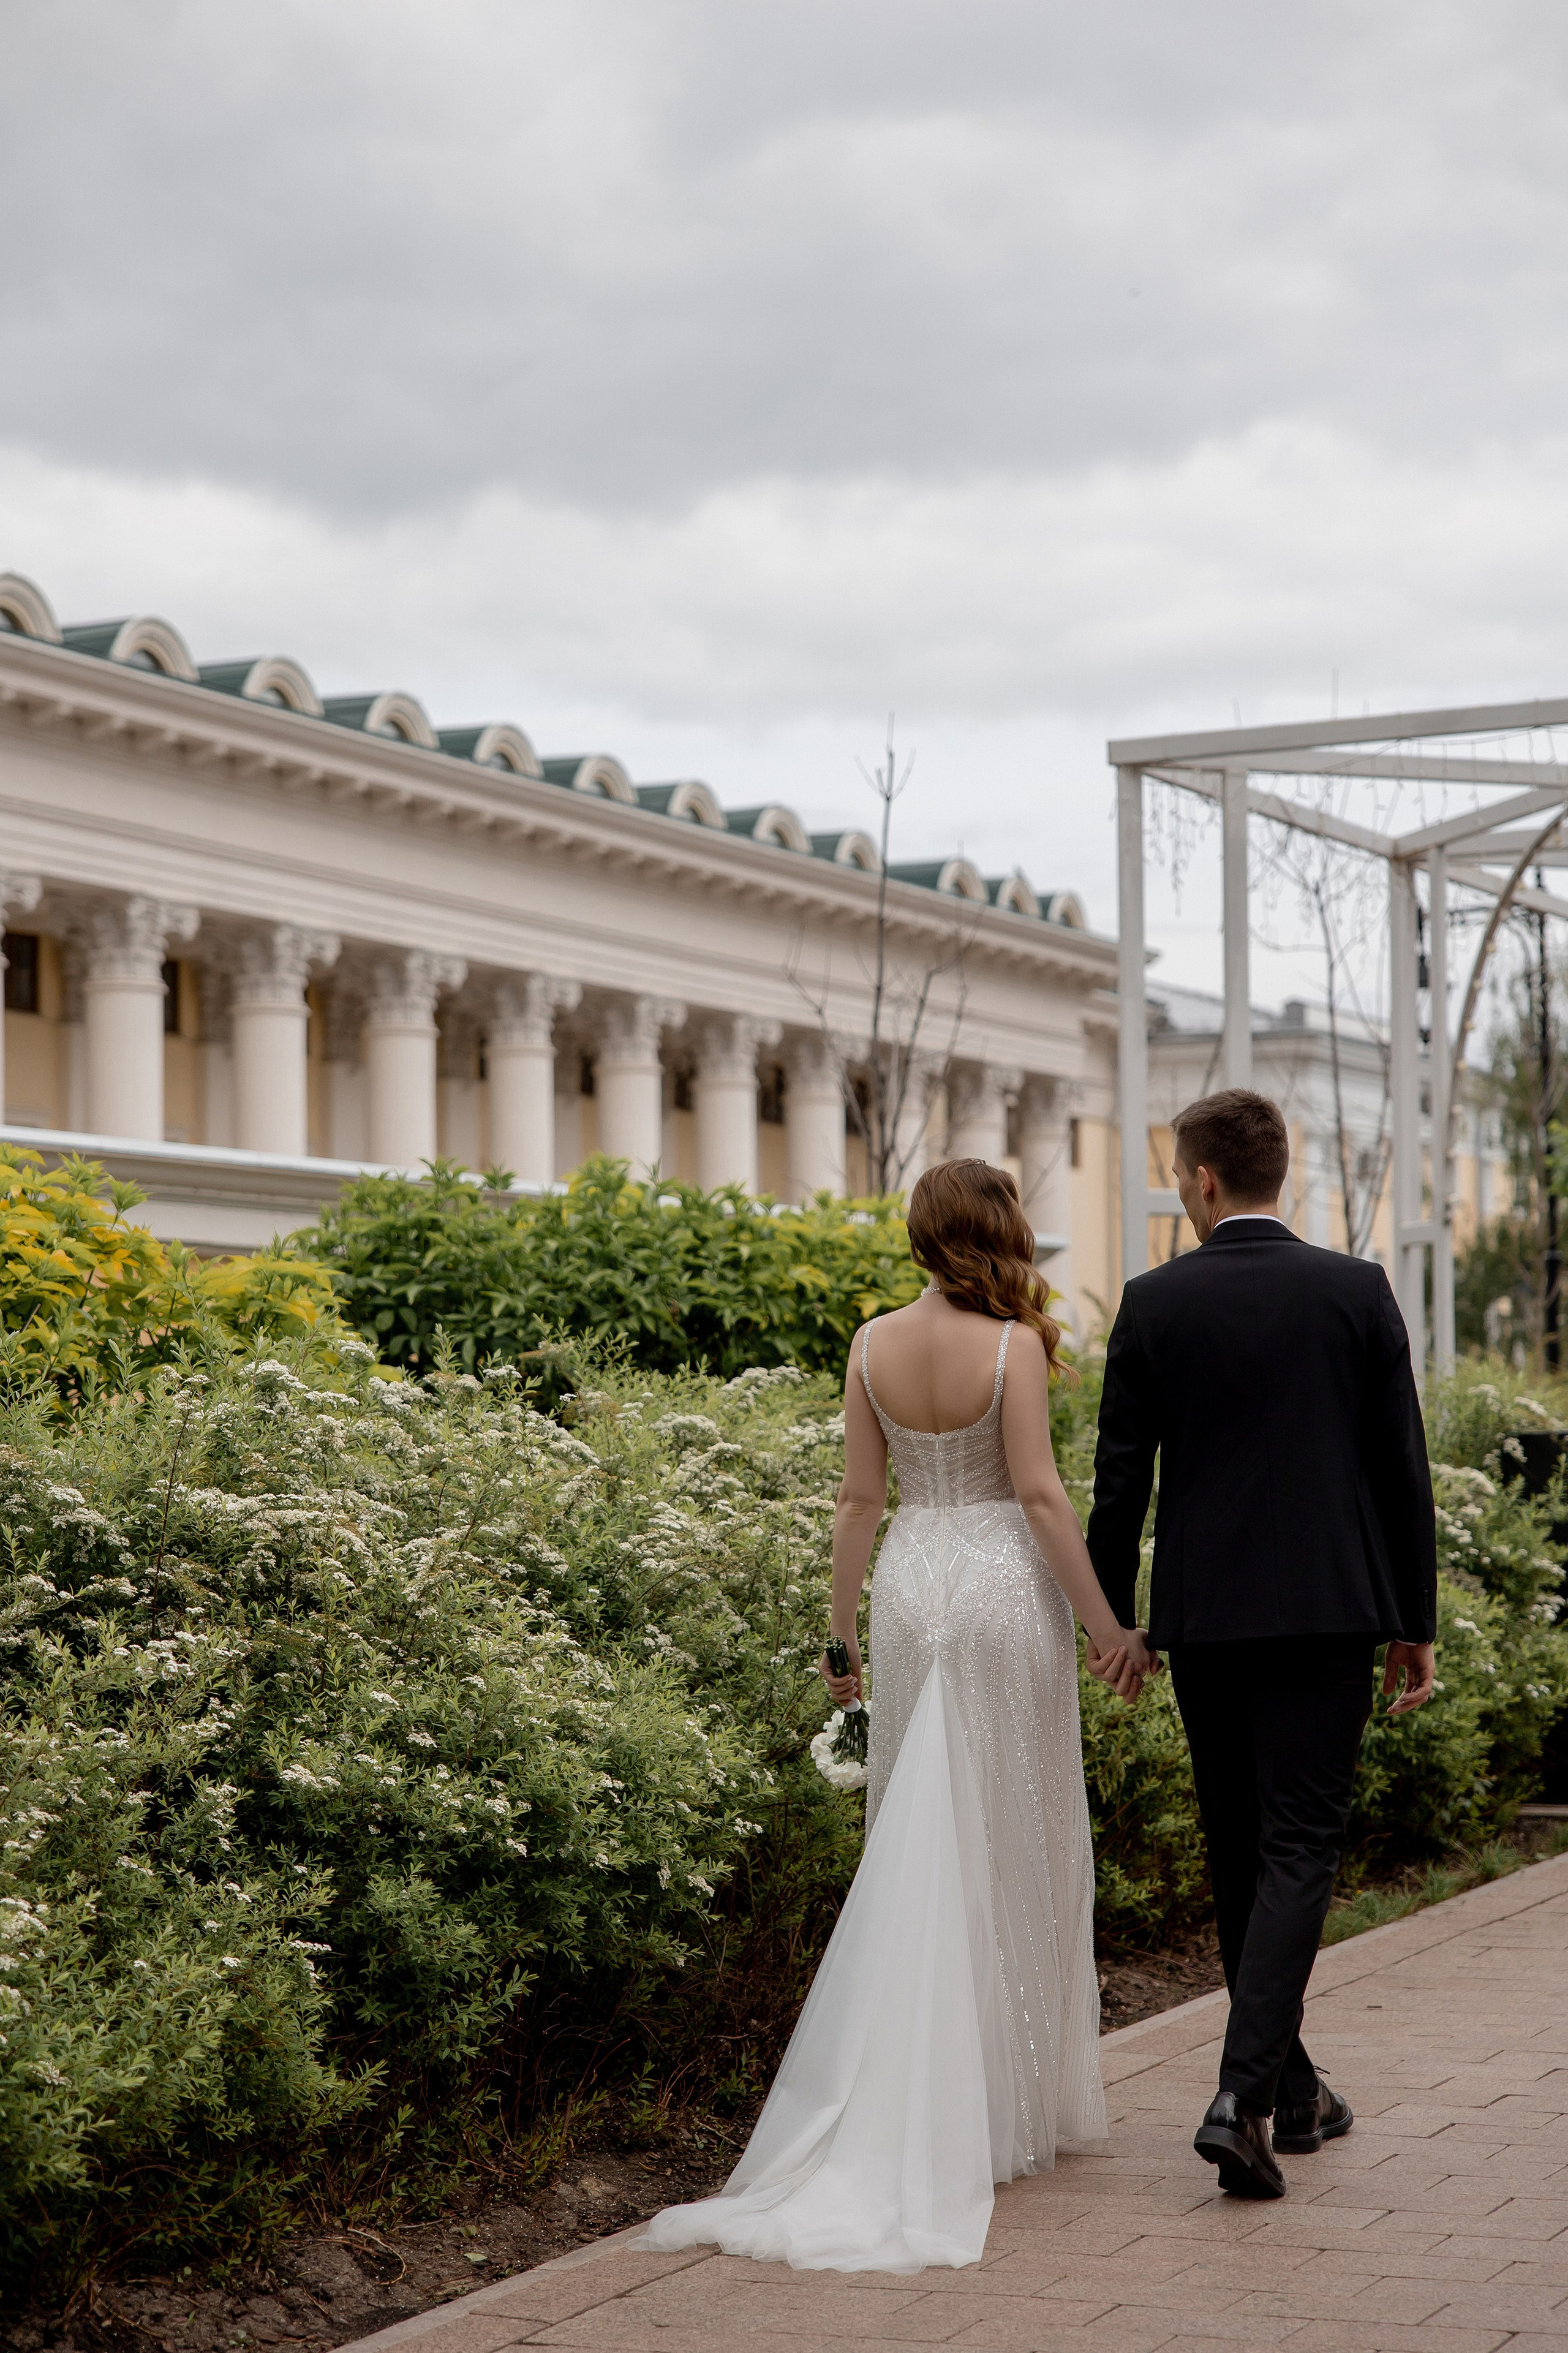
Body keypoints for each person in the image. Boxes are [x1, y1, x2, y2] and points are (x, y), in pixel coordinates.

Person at [642, 1158, 1158, 2273]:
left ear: (924, 1235)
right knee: (1009, 1833)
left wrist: (842, 1642)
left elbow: (858, 1500)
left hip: (913, 1593)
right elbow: (1038, 1493)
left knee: (919, 1830)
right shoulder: (1017, 1343)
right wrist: (1111, 1625)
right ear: (1001, 1229)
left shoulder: (871, 1343)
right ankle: (1000, 2106)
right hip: (1002, 1589)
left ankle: (926, 2089)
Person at [1087, 1087, 1437, 2200]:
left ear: (1199, 1180)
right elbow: (1403, 1472)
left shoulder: (1152, 1302)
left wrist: (1115, 1622)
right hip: (1335, 1612)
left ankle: (1291, 2092)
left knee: (1245, 1847)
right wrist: (1413, 1621)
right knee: (1297, 1846)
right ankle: (1247, 2096)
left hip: (1208, 1621)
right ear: (1278, 1172)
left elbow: (1117, 1491)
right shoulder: (1356, 1290)